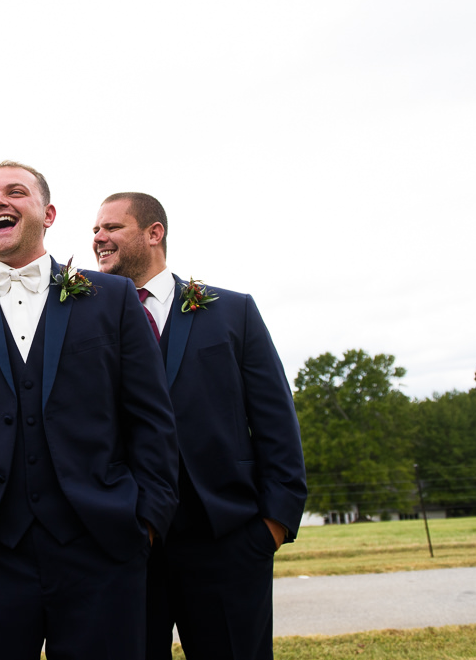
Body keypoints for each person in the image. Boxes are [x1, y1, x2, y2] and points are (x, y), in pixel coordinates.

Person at [0, 161, 178, 660]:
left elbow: (150, 416)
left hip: (100, 550)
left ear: (47, 214)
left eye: (14, 192)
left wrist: (146, 519)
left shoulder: (112, 298)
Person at [92, 192, 307, 660]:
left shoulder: (233, 312)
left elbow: (275, 421)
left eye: (111, 228)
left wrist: (272, 524)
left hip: (227, 543)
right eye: (94, 231)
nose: (98, 238)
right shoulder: (86, 321)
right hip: (127, 546)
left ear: (154, 233)